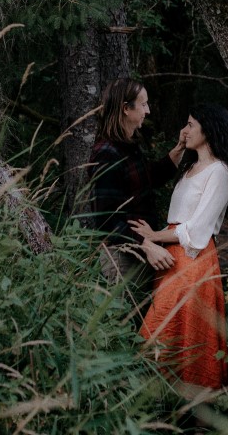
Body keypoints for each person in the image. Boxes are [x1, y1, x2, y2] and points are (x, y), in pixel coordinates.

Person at [130, 103, 228, 396]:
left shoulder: (219, 172)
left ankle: (196, 417)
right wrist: (179, 146)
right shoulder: (190, 168)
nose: (185, 129)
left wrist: (153, 236)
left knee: (180, 336)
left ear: (208, 129)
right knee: (166, 335)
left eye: (191, 124)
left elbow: (196, 231)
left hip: (193, 261)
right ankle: (162, 409)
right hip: (172, 261)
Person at [87, 77, 184, 311]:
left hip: (139, 252)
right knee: (126, 327)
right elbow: (106, 220)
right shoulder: (106, 153)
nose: (147, 110)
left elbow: (148, 178)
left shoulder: (128, 146)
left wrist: (180, 148)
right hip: (124, 257)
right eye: (143, 104)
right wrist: (147, 245)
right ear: (125, 108)